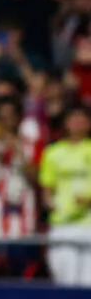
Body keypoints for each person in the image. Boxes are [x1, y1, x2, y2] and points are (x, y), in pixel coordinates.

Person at [40, 105, 91, 285]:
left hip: (89, 226)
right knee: (65, 283)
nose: (78, 123)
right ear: (65, 123)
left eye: (82, 119)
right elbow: (47, 189)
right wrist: (49, 202)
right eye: (73, 118)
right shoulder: (53, 152)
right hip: (62, 226)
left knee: (87, 285)